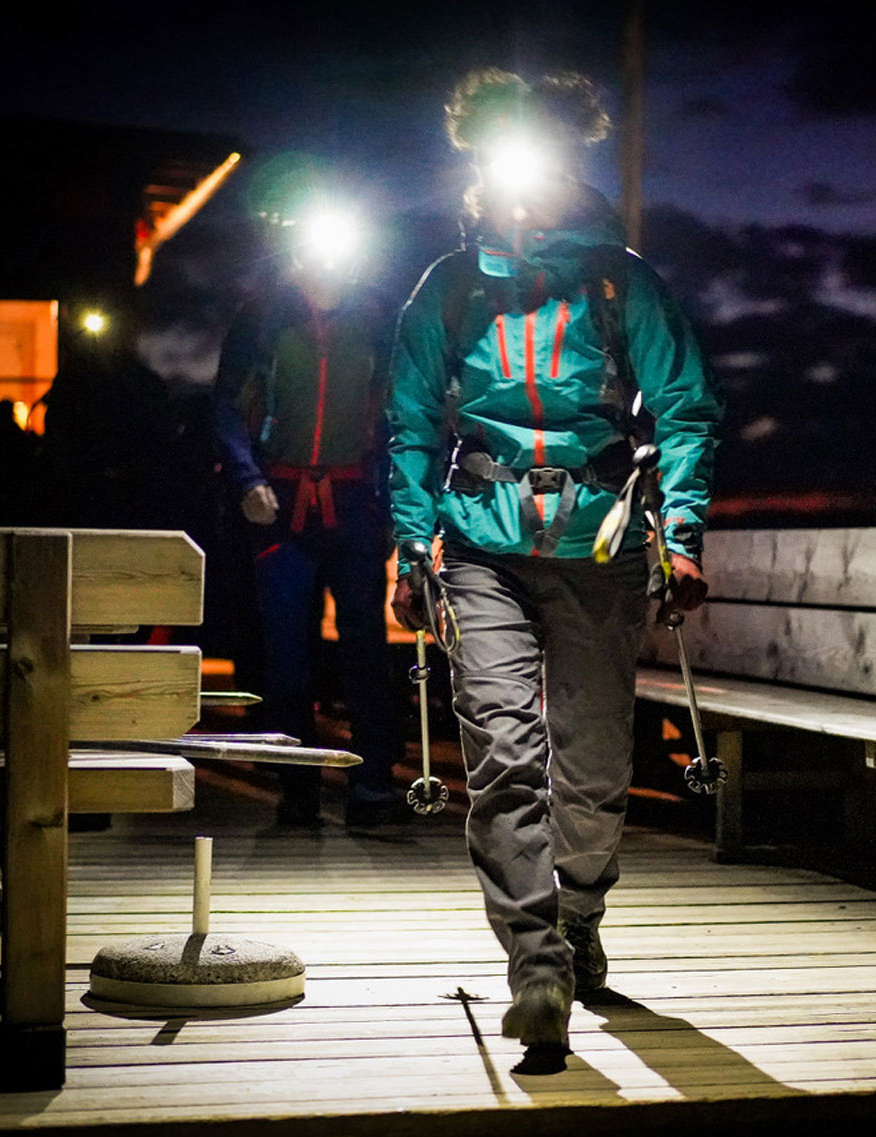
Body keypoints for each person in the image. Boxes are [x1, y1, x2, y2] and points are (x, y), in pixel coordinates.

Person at [388, 68, 724, 1055]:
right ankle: (536, 967)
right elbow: (411, 421)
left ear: (571, 163)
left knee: (593, 759)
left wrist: (682, 535)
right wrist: (410, 544)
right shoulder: (448, 287)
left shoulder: (623, 281)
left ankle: (578, 918)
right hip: (479, 546)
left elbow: (685, 408)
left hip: (599, 542)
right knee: (502, 752)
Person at [213, 200, 405, 829]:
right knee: (286, 652)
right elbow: (225, 407)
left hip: (353, 504)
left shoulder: (377, 317)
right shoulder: (263, 317)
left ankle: (372, 786)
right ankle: (297, 786)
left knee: (365, 648)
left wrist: (392, 502)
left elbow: (399, 412)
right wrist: (248, 479)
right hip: (280, 505)